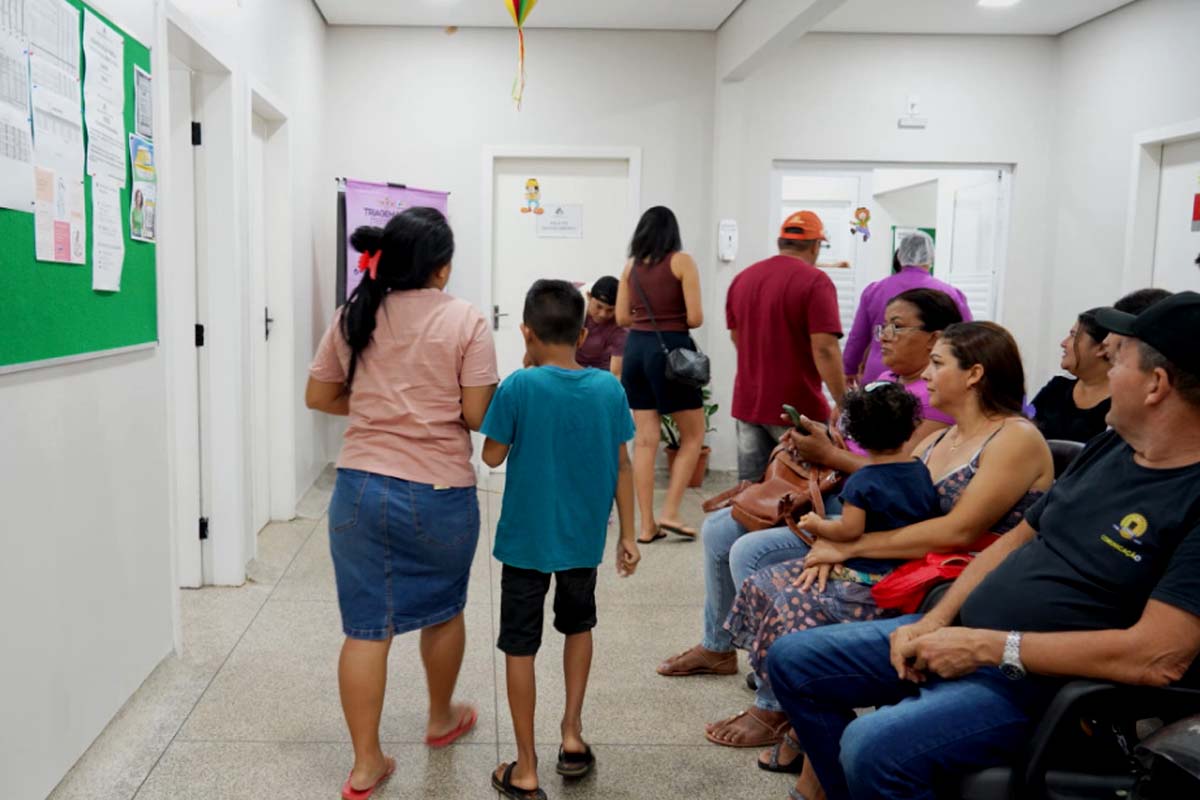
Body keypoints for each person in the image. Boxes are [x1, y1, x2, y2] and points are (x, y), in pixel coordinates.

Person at [768, 291, 1200, 800]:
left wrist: (988, 647)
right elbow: (1016, 540)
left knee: (871, 746)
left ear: (1156, 385)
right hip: (970, 637)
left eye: (1118, 360)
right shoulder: (1112, 447)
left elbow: (1157, 656)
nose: (1107, 369)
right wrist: (935, 621)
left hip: (1041, 683)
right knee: (793, 660)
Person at [674, 322, 1053, 753]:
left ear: (975, 374)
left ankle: (796, 718)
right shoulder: (941, 438)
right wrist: (835, 547)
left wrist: (848, 546)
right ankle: (793, 710)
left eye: (937, 363)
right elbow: (894, 489)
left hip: (959, 578)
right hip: (912, 562)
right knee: (767, 580)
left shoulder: (1015, 438)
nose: (926, 375)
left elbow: (958, 531)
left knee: (795, 598)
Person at [305, 208, 498, 800]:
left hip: (359, 489)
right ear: (441, 269)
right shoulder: (466, 320)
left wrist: (375, 405)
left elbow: (319, 394)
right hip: (438, 492)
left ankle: (366, 764)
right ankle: (440, 718)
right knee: (443, 610)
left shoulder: (355, 314)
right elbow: (476, 416)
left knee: (366, 628)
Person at [481, 279, 640, 800]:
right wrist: (629, 534)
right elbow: (622, 465)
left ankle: (525, 767)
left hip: (525, 542)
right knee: (579, 625)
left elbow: (491, 456)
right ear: (583, 332)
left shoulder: (519, 387)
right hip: (581, 540)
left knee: (520, 645)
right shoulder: (608, 390)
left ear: (526, 332)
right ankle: (572, 735)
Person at [726, 210, 847, 482]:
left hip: (749, 404)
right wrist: (844, 403)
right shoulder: (816, 282)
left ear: (781, 242)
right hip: (798, 410)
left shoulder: (743, 279)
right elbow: (825, 349)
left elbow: (737, 338)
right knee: (801, 492)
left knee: (752, 492)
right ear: (815, 246)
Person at [615, 206, 705, 542]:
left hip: (635, 351)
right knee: (693, 435)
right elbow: (695, 318)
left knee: (645, 440)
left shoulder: (630, 267)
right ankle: (670, 511)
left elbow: (622, 318)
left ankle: (646, 526)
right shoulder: (682, 262)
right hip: (669, 352)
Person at [842, 231, 972, 387]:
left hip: (878, 373)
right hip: (929, 375)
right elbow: (966, 339)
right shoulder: (950, 293)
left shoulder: (875, 290)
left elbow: (858, 336)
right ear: (931, 256)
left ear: (900, 255)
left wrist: (849, 368)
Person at [1031, 308, 1111, 443]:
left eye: (1073, 335)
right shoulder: (1057, 386)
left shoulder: (1119, 405)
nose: (1063, 343)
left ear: (1102, 348)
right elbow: (1022, 424)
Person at [576, 276, 627, 375]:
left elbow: (617, 374)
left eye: (610, 310)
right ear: (589, 296)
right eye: (599, 307)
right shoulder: (573, 311)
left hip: (599, 372)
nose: (603, 314)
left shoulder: (619, 327)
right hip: (569, 367)